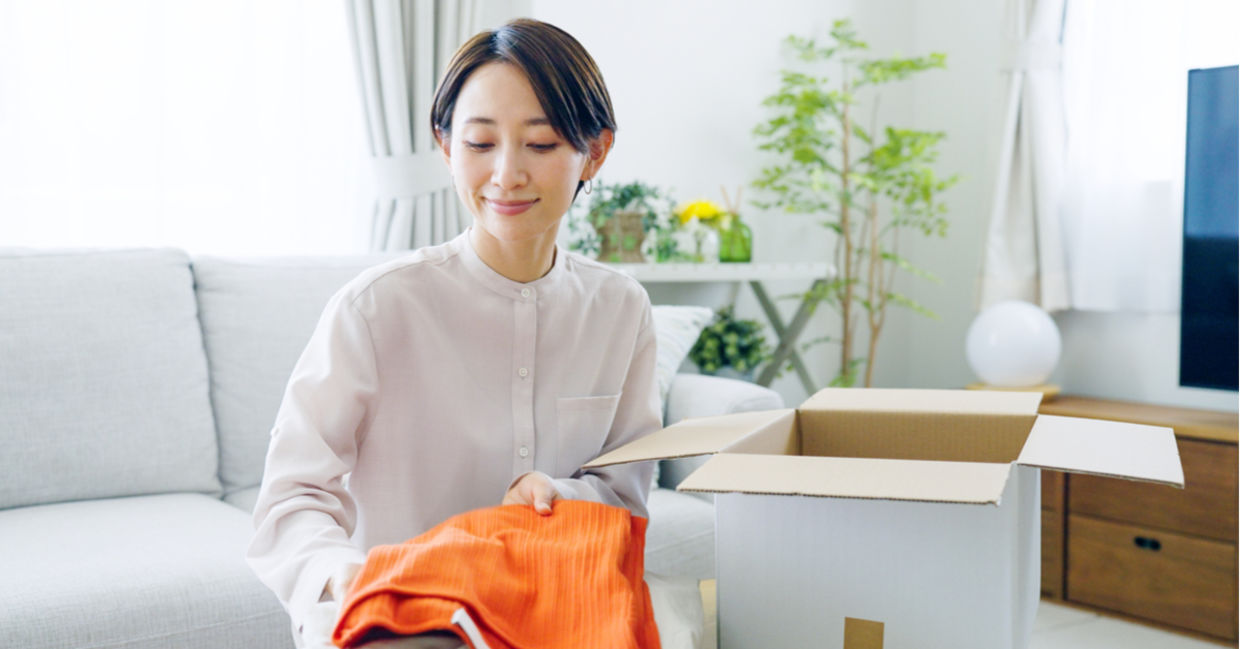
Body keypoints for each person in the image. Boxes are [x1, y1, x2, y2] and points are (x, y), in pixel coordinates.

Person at [246, 18, 662, 649]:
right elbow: (292, 497)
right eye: (479, 144)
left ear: (594, 152)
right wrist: (345, 574)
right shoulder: (376, 309)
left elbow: (624, 495)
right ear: (446, 147)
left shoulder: (620, 309)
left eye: (542, 145)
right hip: (399, 619)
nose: (506, 175)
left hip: (551, 612)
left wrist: (561, 493)